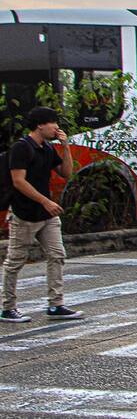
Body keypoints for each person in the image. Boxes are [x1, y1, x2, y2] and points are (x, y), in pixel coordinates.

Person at [1, 106, 83, 322]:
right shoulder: (21, 148)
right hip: (24, 213)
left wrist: (65, 147)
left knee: (57, 255)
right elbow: (18, 181)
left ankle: (56, 305)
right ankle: (8, 308)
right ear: (40, 125)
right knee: (15, 261)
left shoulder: (47, 148)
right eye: (53, 122)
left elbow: (66, 173)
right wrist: (46, 201)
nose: (56, 127)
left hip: (47, 215)